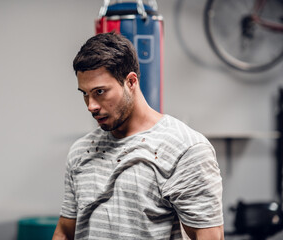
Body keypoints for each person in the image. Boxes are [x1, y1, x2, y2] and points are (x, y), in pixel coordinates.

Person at [53, 32, 224, 240]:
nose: (91, 106)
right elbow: (65, 229)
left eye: (99, 92)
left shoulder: (186, 149)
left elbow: (208, 236)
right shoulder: (81, 151)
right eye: (84, 94)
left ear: (131, 82)